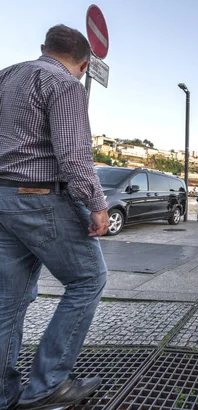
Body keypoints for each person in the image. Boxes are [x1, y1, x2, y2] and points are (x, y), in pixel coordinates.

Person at [0, 25, 109, 410]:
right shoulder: (64, 84)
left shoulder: (8, 75)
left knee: (7, 300)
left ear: (43, 48)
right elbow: (74, 155)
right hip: (40, 197)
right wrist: (97, 205)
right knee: (88, 279)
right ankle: (48, 384)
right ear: (84, 64)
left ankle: (4, 392)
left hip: (3, 199)